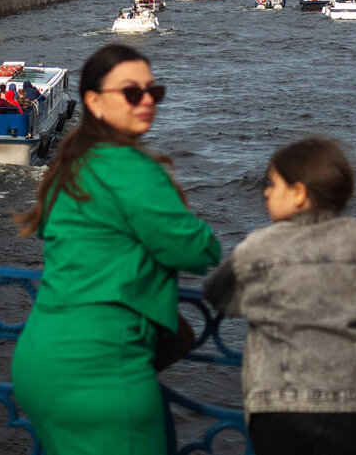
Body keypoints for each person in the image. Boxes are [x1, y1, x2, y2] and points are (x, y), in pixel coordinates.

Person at [12, 44, 220, 455]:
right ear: (93, 101)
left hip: (42, 358)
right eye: (131, 93)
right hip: (102, 368)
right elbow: (200, 251)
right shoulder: (132, 168)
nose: (146, 101)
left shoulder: (72, 164)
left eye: (152, 92)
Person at [203, 138, 356, 455]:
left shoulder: (259, 246)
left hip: (280, 408)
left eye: (273, 185)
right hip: (353, 407)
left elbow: (217, 293)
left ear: (299, 194)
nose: (265, 192)